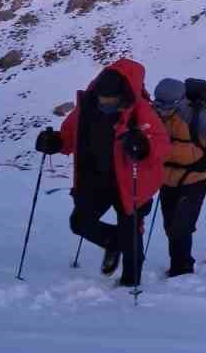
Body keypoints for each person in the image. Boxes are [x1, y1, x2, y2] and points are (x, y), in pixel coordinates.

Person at [35, 58, 169, 287]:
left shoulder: (140, 110)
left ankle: (131, 282)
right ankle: (114, 241)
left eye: (111, 102)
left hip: (130, 182)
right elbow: (70, 135)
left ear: (123, 96)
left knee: (131, 227)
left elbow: (162, 145)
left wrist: (143, 145)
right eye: (102, 101)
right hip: (96, 178)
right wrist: (55, 142)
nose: (106, 106)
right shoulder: (87, 107)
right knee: (80, 222)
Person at [151, 78, 206, 275]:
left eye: (167, 107)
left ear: (179, 102)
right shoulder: (155, 114)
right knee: (169, 225)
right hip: (167, 178)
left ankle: (182, 269)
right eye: (159, 105)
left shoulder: (196, 116)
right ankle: (178, 264)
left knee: (182, 224)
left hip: (195, 177)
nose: (162, 111)